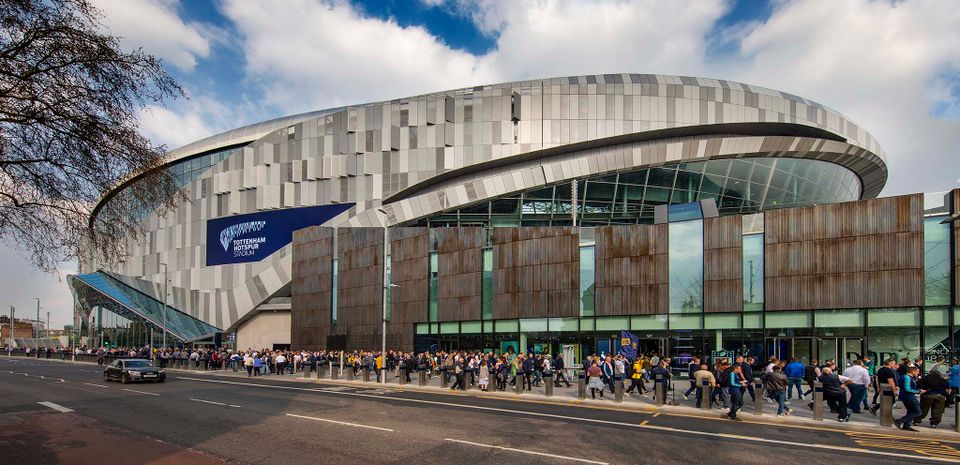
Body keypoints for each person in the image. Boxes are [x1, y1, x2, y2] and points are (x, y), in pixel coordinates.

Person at [895, 366, 923, 432]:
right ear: (912, 371)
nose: (918, 373)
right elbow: (907, 389)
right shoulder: (907, 377)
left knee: (911, 411)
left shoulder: (906, 377)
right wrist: (918, 391)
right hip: (909, 397)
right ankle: (899, 421)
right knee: (917, 411)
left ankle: (907, 425)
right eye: (917, 371)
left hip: (906, 396)